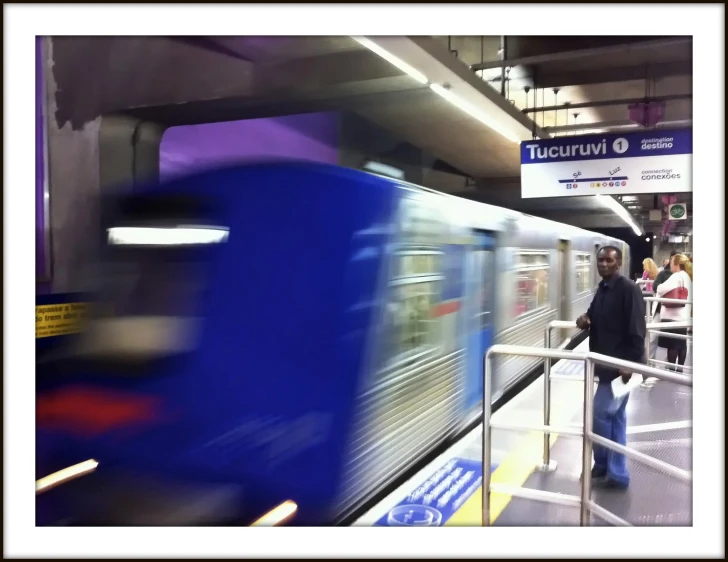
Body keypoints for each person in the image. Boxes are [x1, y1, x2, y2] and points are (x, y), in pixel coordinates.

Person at [576, 246, 646, 490]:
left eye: (609, 260)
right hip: (605, 365)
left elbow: (638, 330)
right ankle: (616, 474)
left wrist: (630, 363)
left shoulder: (629, 289)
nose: (603, 264)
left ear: (618, 263)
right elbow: (592, 315)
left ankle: (605, 465)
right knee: (615, 417)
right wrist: (584, 319)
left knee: (599, 413)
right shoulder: (603, 289)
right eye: (600, 260)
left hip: (620, 369)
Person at [655, 253, 693, 370]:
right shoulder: (688, 276)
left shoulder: (676, 276)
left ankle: (671, 370)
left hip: (672, 316)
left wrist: (660, 287)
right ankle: (680, 369)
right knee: (681, 344)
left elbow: (660, 289)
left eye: (671, 263)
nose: (670, 265)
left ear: (676, 264)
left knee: (672, 344)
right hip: (683, 316)